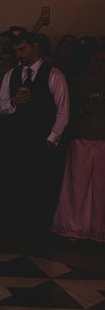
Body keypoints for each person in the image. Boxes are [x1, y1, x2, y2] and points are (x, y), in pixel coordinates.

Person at [0, 31, 70, 238]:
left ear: (35, 46)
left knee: (39, 185)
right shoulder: (11, 74)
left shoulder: (54, 74)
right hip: (16, 138)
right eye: (16, 51)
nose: (19, 54)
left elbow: (63, 112)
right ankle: (14, 225)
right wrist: (14, 102)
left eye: (23, 49)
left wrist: (51, 139)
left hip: (41, 140)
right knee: (13, 181)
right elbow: (1, 106)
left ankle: (36, 229)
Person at [52, 47, 105, 242]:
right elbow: (68, 109)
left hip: (102, 139)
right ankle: (73, 227)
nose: (98, 65)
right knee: (77, 186)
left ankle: (98, 228)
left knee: (101, 187)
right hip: (81, 138)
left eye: (102, 61)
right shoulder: (78, 81)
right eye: (95, 60)